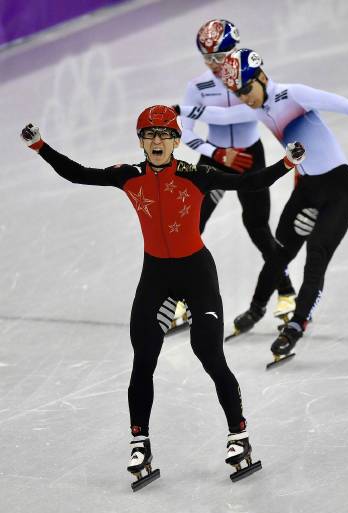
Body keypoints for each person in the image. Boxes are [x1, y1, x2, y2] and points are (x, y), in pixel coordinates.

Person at [20, 105, 306, 487]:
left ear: (175, 141)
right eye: (149, 135)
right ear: (141, 141)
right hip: (155, 276)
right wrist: (40, 146)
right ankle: (140, 441)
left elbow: (250, 182)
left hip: (196, 274)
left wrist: (286, 163)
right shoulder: (127, 176)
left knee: (209, 352)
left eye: (164, 135)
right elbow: (78, 174)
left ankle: (239, 435)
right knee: (143, 359)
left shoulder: (196, 174)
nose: (157, 141)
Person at [177, 48, 348, 360]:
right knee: (279, 253)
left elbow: (346, 106)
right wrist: (179, 110)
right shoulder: (256, 108)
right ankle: (256, 308)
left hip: (340, 189)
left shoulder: (295, 95)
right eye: (238, 93)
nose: (245, 98)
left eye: (247, 90)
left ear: (262, 78)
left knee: (315, 255)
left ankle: (297, 325)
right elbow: (221, 116)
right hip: (307, 189)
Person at [176, 19, 296, 324]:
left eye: (219, 57)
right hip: (214, 159)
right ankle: (182, 298)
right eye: (207, 59)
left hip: (248, 159)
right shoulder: (197, 87)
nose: (214, 66)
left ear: (235, 50)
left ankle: (286, 291)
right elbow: (184, 133)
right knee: (191, 227)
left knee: (257, 228)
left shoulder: (253, 79)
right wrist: (216, 152)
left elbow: (255, 110)